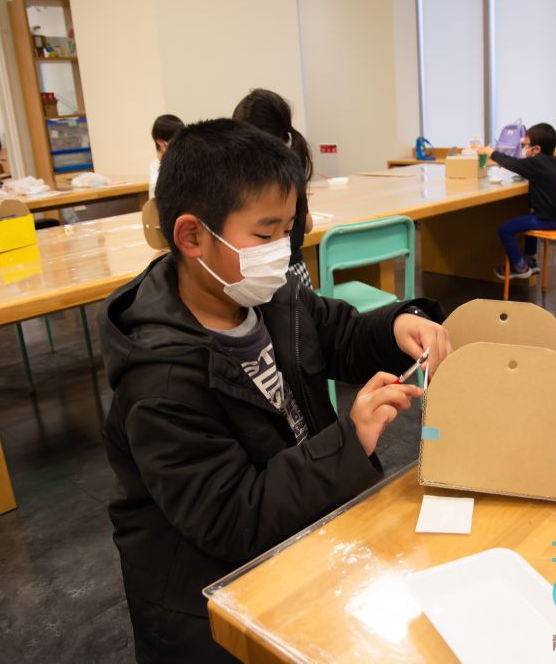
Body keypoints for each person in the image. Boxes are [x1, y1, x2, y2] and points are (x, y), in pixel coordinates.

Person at [99, 118, 452, 662]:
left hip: (297, 528)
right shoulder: (161, 381)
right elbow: (232, 518)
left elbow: (340, 333)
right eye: (264, 235)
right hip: (209, 603)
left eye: (288, 230)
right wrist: (348, 441)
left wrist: (396, 327)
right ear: (192, 237)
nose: (282, 251)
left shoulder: (267, 295)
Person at [232, 88, 315, 287]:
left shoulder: (245, 179)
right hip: (297, 273)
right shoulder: (292, 170)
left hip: (268, 278)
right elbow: (308, 225)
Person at [479, 123, 556, 279]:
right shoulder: (555, 162)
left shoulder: (536, 162)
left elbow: (512, 163)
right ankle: (530, 260)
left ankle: (520, 267)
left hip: (549, 220)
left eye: (525, 145)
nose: (523, 149)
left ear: (536, 149)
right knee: (529, 216)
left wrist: (490, 152)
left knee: (505, 229)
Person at [148, 114, 185, 199]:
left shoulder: (182, 163)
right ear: (160, 141)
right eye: (177, 139)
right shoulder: (155, 167)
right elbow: (161, 193)